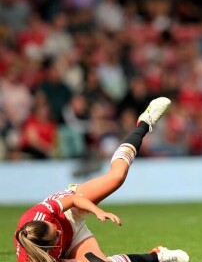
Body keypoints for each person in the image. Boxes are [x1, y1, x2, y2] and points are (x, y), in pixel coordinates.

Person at [14, 97, 190, 262]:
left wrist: (98, 211)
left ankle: (145, 122)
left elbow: (74, 199)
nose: (58, 232)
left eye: (55, 227)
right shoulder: (33, 258)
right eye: (56, 235)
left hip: (71, 210)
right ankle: (158, 256)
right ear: (47, 248)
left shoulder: (40, 214)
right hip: (73, 239)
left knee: (116, 177)